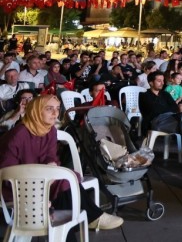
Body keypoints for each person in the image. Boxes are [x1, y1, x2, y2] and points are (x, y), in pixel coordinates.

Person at [0, 95, 124, 233]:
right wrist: (41, 179)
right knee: (64, 183)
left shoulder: (50, 130)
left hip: (40, 181)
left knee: (65, 179)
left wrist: (50, 164)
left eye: (57, 109)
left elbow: (50, 155)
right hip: (17, 188)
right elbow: (6, 174)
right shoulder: (18, 135)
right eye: (49, 109)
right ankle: (90, 218)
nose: (55, 113)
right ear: (36, 111)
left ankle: (79, 222)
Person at [139, 70, 182, 168]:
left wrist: (165, 108)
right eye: (159, 81)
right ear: (151, 82)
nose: (162, 83)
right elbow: (152, 110)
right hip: (157, 121)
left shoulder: (165, 94)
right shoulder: (144, 95)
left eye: (163, 81)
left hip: (171, 118)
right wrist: (166, 108)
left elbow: (175, 108)